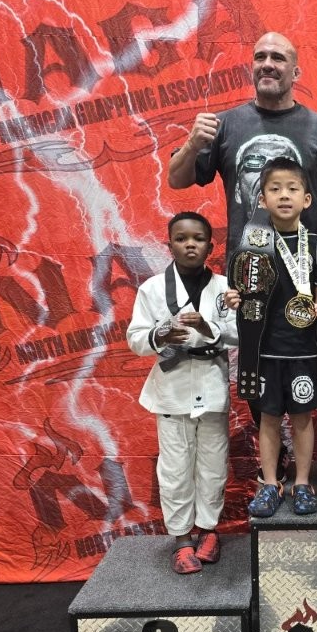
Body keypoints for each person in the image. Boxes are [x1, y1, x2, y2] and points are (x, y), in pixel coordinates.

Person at [167, 31, 317, 485]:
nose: (268, 63)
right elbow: (177, 180)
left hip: (308, 271)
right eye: (261, 56)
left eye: (279, 58)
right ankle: (278, 458)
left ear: (296, 71)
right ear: (252, 67)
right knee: (253, 358)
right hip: (250, 269)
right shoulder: (226, 125)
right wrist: (191, 144)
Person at [126, 211, 238, 574]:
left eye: (198, 239)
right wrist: (160, 334)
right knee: (174, 469)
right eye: (181, 238)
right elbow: (135, 339)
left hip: (211, 385)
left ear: (210, 246)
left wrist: (209, 327)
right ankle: (181, 539)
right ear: (169, 244)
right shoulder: (152, 289)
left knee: (213, 466)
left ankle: (208, 530)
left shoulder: (224, 288)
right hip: (171, 390)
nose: (190, 244)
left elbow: (241, 333)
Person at [225, 158, 317, 517]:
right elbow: (238, 291)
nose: (284, 195)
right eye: (275, 189)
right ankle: (271, 484)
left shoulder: (316, 245)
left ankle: (302, 482)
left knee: (303, 418)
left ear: (307, 199)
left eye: (292, 189)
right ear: (262, 199)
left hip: (302, 349)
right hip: (263, 349)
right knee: (269, 419)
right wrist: (233, 298)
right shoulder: (251, 242)